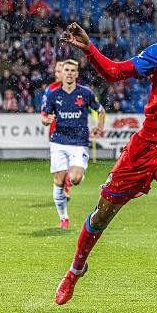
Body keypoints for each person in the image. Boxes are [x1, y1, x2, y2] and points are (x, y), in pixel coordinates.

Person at [54, 1, 157, 305]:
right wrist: (90, 49)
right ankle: (75, 270)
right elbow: (116, 73)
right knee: (102, 215)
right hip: (144, 149)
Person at [41, 59, 106, 229]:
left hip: (79, 142)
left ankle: (76, 172)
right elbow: (44, 116)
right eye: (66, 70)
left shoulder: (85, 93)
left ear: (77, 74)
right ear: (61, 73)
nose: (69, 73)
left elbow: (100, 110)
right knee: (60, 180)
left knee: (75, 179)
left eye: (72, 70)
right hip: (59, 141)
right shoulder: (53, 95)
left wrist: (99, 127)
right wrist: (47, 120)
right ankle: (63, 218)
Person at [41, 61, 73, 200]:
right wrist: (47, 118)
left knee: (71, 161)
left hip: (72, 129)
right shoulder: (51, 89)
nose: (57, 74)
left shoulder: (73, 89)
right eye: (56, 72)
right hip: (56, 129)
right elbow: (44, 110)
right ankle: (63, 187)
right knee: (60, 164)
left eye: (59, 71)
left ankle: (66, 185)